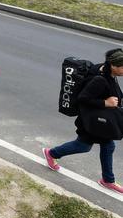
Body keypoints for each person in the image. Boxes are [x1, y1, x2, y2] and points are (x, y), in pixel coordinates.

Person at [43, 49, 123, 194]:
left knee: (108, 146)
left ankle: (108, 180)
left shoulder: (107, 72)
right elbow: (83, 98)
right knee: (83, 146)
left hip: (101, 122)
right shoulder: (99, 79)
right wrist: (105, 103)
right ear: (113, 65)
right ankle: (51, 153)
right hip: (92, 122)